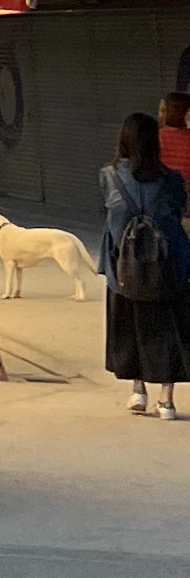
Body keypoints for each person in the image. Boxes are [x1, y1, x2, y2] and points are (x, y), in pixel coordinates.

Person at [102, 113, 190, 418]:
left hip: (124, 271)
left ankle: (138, 391)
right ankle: (166, 400)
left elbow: (112, 224)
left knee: (129, 330)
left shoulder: (109, 176)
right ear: (156, 142)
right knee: (168, 331)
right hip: (168, 270)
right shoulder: (173, 180)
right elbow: (177, 218)